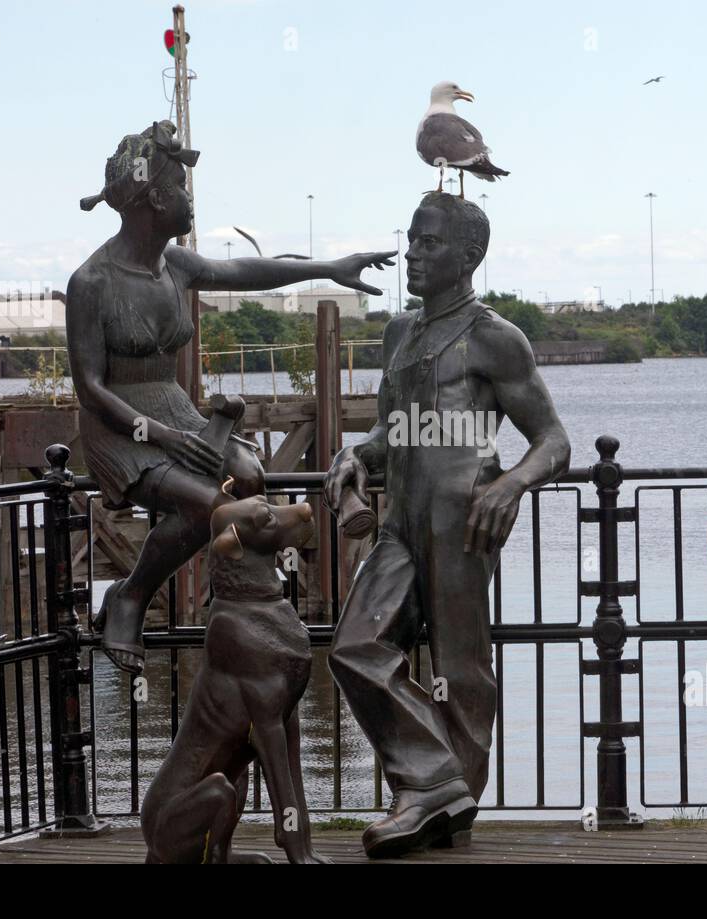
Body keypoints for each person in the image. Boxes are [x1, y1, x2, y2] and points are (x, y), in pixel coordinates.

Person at [68, 120, 393, 674]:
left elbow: (248, 270)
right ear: (152, 199)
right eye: (180, 185)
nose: (191, 197)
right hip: (121, 426)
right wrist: (163, 436)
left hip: (173, 406)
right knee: (209, 504)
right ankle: (132, 596)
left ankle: (235, 605)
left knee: (247, 474)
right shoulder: (92, 282)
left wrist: (329, 269)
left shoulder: (175, 265)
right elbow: (90, 388)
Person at [323, 192, 570, 858]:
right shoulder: (398, 332)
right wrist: (355, 453)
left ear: (469, 256)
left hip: (464, 517)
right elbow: (387, 427)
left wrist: (514, 483)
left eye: (428, 244)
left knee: (461, 668)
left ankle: (442, 804)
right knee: (356, 646)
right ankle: (435, 783)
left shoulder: (495, 336)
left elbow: (553, 440)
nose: (412, 254)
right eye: (410, 240)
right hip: (400, 518)